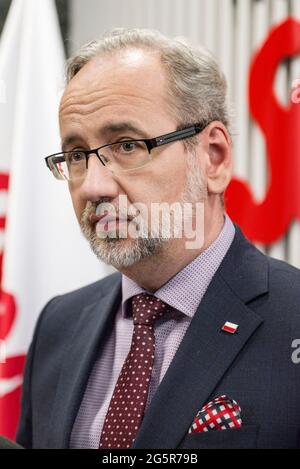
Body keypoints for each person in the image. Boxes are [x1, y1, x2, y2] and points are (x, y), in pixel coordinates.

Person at [17, 28, 300, 449]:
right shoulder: (59, 324)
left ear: (213, 157)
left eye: (127, 146)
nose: (94, 187)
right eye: (76, 156)